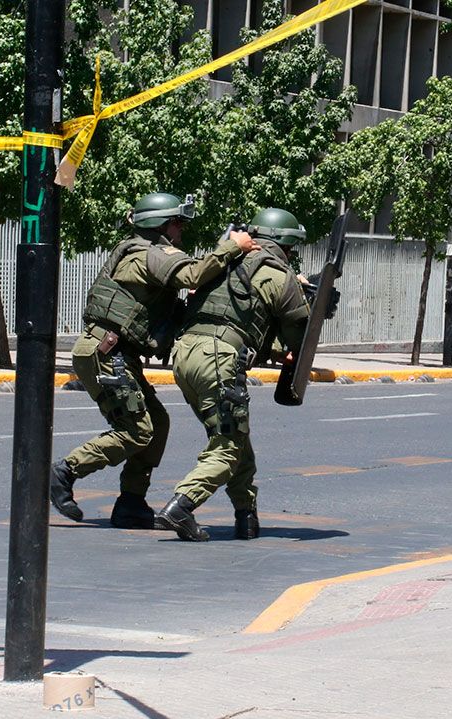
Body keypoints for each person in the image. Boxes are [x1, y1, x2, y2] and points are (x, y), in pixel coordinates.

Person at [49, 193, 258, 529]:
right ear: (160, 223)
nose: (181, 229)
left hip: (116, 351)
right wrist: (232, 246)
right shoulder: (148, 252)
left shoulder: (146, 252)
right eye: (177, 222)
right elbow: (191, 275)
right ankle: (65, 471)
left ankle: (131, 501)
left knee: (156, 422)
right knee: (135, 429)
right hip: (106, 350)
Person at [155, 207, 313, 542]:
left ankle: (246, 516)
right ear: (283, 245)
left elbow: (244, 322)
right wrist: (308, 300)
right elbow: (300, 338)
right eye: (290, 249)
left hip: (185, 355)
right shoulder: (278, 276)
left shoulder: (225, 258)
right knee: (227, 445)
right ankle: (180, 507)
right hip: (219, 360)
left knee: (236, 436)